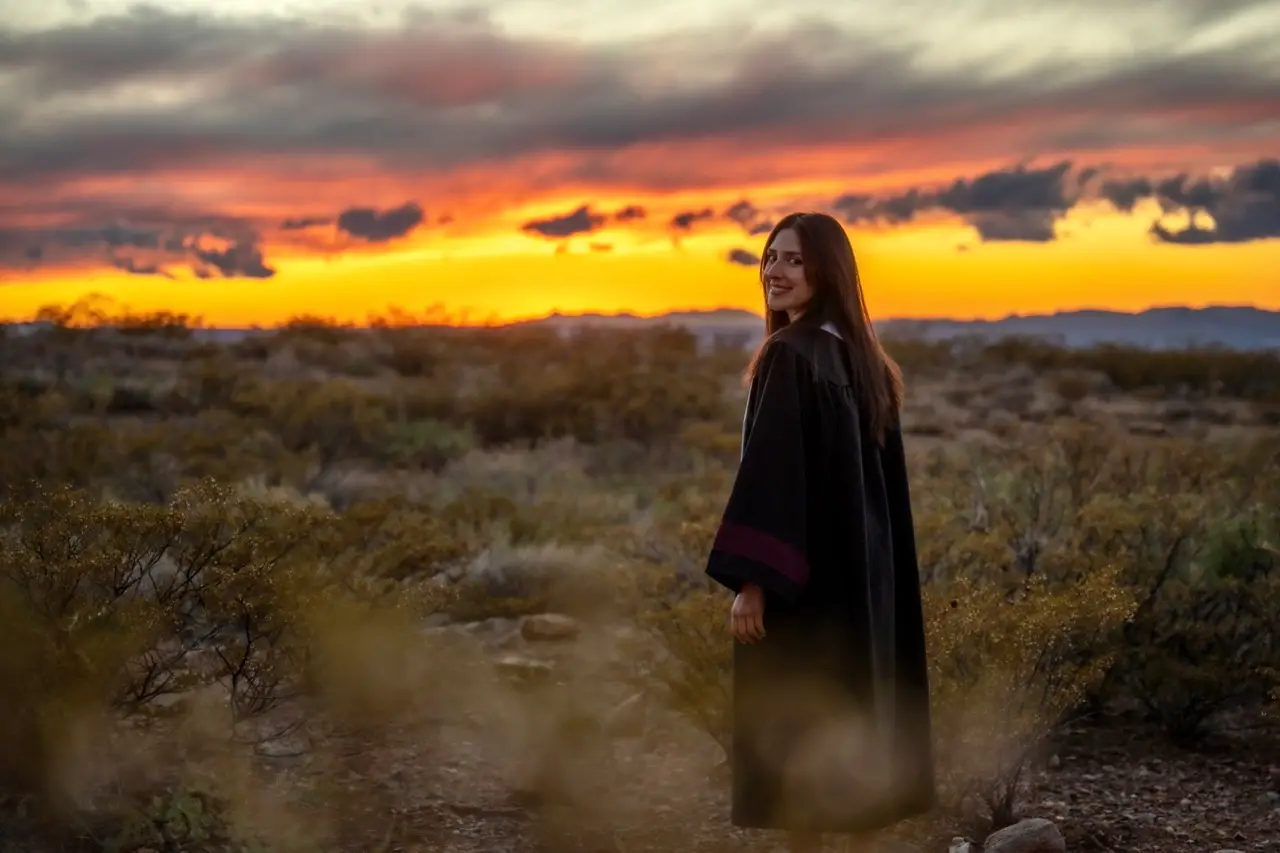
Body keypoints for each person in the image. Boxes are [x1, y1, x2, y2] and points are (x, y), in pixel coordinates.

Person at [704, 212, 935, 853]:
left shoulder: (791, 355)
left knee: (798, 733)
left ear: (826, 271)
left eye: (795, 260)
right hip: (864, 582)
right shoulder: (863, 360)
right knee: (856, 718)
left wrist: (754, 582)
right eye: (772, 257)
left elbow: (773, 475)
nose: (776, 271)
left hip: (806, 585)